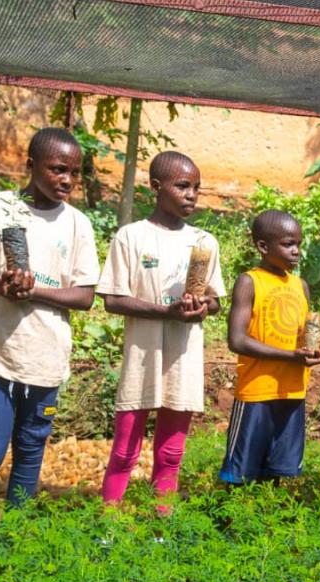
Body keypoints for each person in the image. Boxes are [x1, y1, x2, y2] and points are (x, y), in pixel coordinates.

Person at [0, 127, 100, 505]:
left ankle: (14, 538)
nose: (67, 180)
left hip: (46, 359)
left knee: (31, 449)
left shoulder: (77, 224)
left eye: (75, 172)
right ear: (31, 165)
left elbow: (84, 296)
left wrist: (33, 290)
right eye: (58, 169)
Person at [98, 151, 224, 509]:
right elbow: (113, 299)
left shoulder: (204, 242)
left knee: (171, 451)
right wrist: (166, 311)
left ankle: (162, 521)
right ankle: (109, 521)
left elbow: (215, 301)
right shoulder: (131, 237)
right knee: (125, 448)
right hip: (142, 356)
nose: (191, 195)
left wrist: (201, 307)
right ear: (156, 187)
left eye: (196, 188)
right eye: (182, 186)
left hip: (183, 356)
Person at [219, 210, 320, 485]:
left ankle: (265, 523)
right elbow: (237, 340)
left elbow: (304, 336)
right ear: (263, 246)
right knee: (239, 475)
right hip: (257, 390)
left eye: (298, 244)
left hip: (292, 389)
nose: (296, 251)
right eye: (288, 244)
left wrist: (313, 351)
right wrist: (290, 356)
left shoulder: (301, 286)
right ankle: (231, 524)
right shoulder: (249, 282)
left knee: (277, 472)